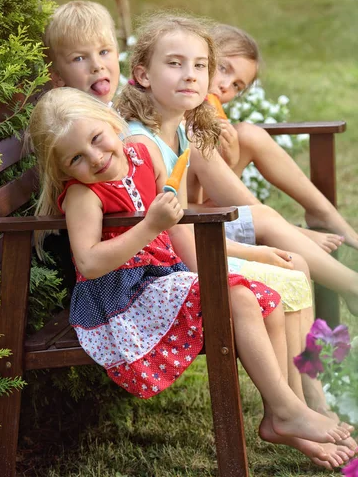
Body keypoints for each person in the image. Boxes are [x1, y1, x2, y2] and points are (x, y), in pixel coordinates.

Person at [27, 87, 353, 469]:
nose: (96, 158)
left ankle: (285, 411)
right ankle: (284, 412)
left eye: (97, 139)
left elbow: (179, 232)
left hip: (167, 277)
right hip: (124, 300)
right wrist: (150, 227)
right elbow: (91, 262)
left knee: (264, 298)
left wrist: (239, 260)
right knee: (242, 298)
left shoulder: (143, 156)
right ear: (64, 169)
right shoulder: (84, 195)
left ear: (111, 123)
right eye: (77, 158)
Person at [208, 23, 358, 253]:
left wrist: (231, 156)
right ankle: (283, 228)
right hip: (188, 213)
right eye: (223, 68)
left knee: (248, 133)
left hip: (214, 199)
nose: (226, 86)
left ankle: (323, 213)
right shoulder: (172, 109)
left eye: (238, 86)